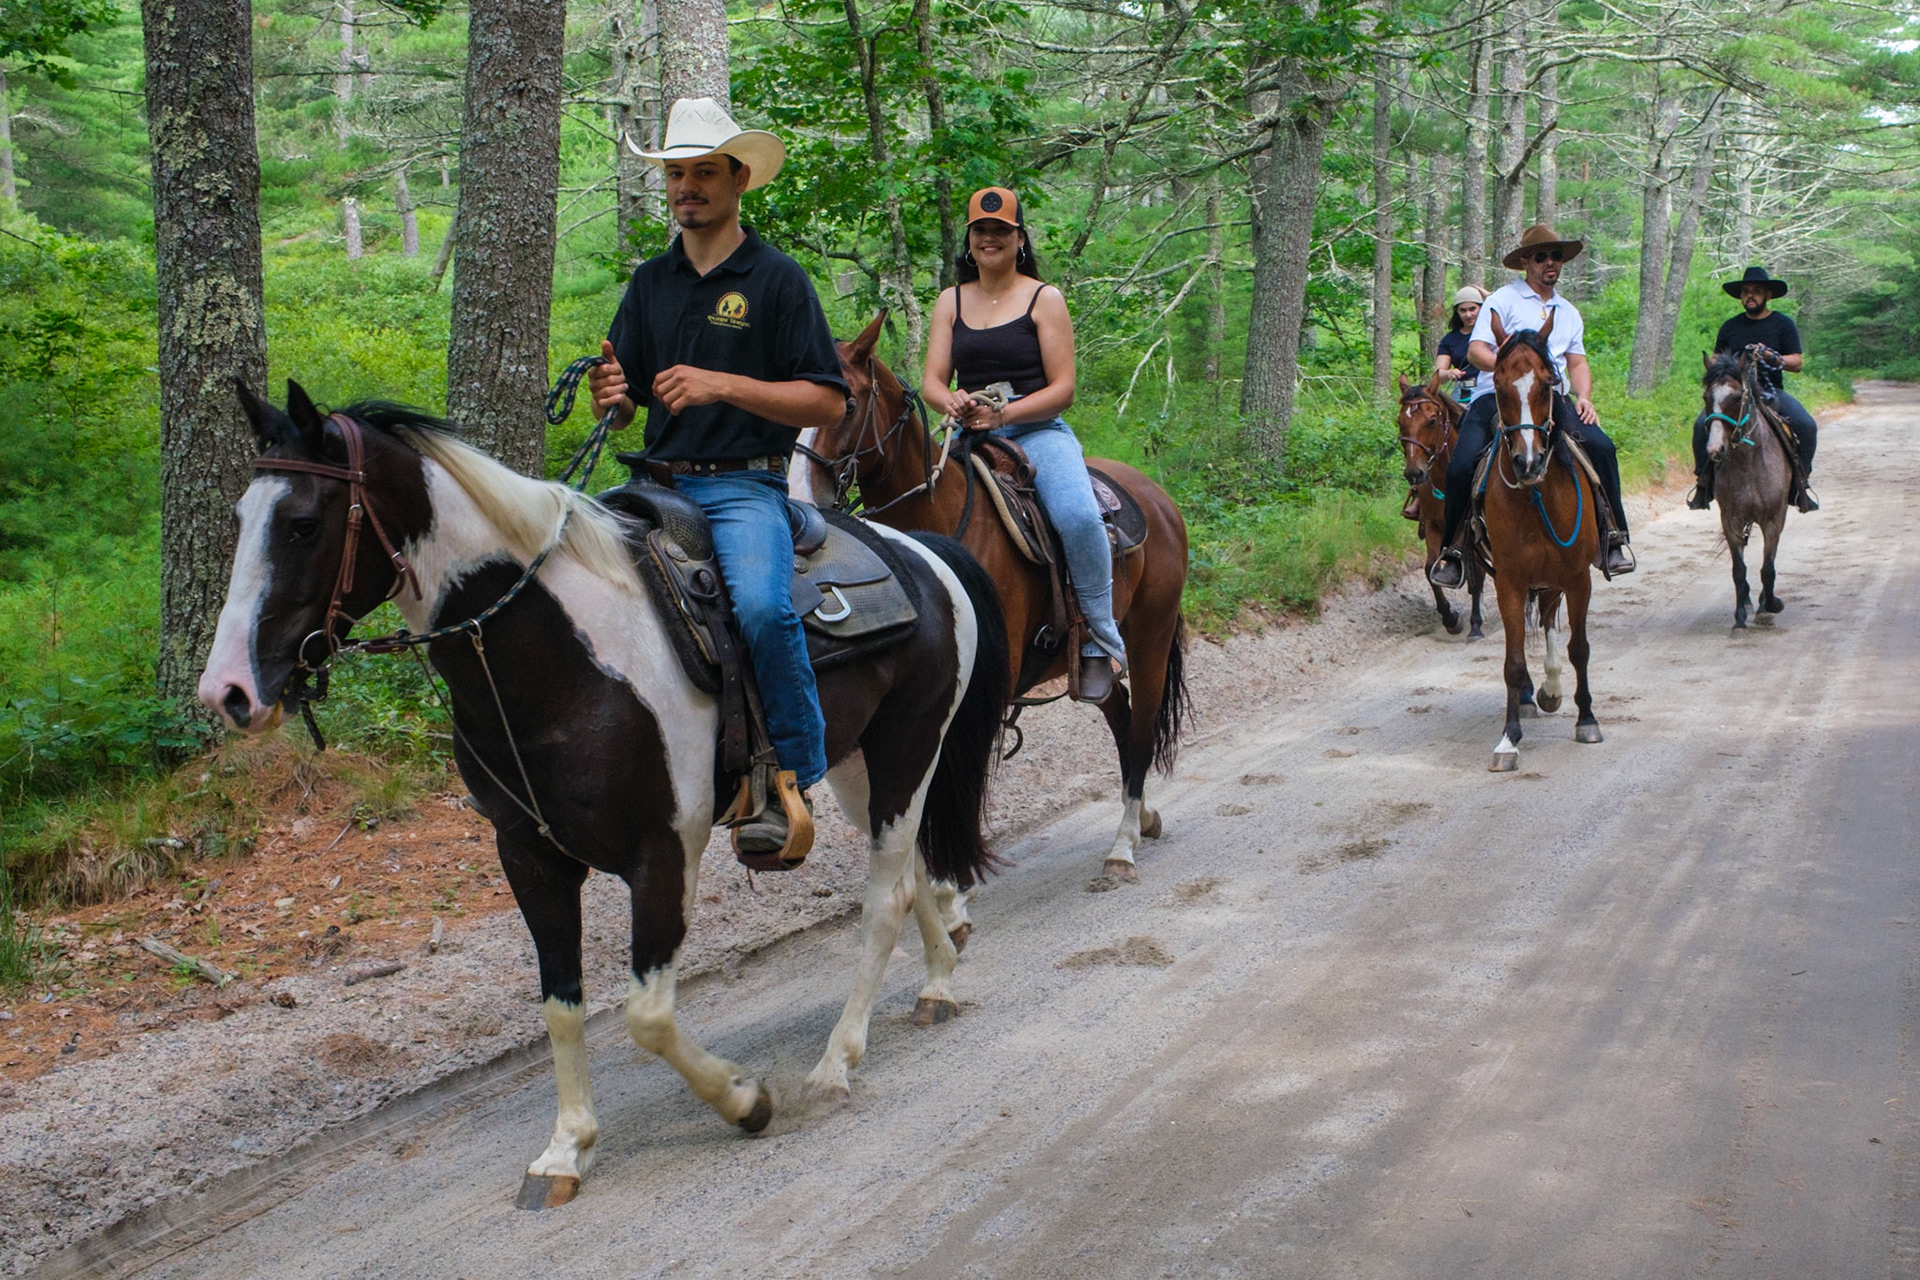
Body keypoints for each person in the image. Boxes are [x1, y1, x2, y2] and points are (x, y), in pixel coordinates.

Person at [588, 97, 850, 853]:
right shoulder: (650, 282)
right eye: (677, 173)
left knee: (764, 612)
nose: (686, 187)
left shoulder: (776, 279)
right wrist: (614, 398)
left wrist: (722, 384)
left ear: (739, 180)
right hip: (651, 483)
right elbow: (629, 402)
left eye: (704, 172)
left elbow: (826, 397)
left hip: (741, 485)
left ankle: (792, 780)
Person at [920, 186, 1125, 704]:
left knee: (1078, 517)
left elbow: (1063, 389)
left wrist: (1005, 413)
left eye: (1001, 231)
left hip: (1036, 433)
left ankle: (1099, 635)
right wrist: (955, 403)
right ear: (969, 240)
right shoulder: (951, 300)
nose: (990, 239)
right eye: (981, 231)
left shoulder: (1043, 297)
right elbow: (932, 382)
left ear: (1019, 238)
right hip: (968, 435)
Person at [1429, 224, 1635, 587]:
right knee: (1461, 465)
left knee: (1602, 448)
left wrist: (1584, 396)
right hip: (1496, 395)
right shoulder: (1502, 301)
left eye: (1556, 256)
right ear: (1526, 262)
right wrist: (1512, 373)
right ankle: (1455, 550)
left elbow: (1578, 362)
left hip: (1550, 397)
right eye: (1541, 257)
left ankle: (1613, 537)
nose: (1550, 263)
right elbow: (1477, 350)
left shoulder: (1567, 311)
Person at [1688, 265, 1819, 513]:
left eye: (1757, 291)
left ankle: (1800, 484)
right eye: (1746, 291)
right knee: (1699, 426)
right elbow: (1717, 358)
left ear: (1767, 295)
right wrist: (1716, 368)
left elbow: (1797, 362)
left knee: (1806, 425)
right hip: (1734, 395)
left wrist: (1773, 357)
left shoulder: (1783, 324)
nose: (1751, 296)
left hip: (1771, 391)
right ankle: (1703, 484)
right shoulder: (1730, 326)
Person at [1434, 285, 1487, 403]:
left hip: (1489, 390)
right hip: (1462, 393)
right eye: (1463, 310)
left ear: (1481, 308)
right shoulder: (1449, 340)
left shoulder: (1491, 333)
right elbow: (1438, 374)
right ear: (1457, 312)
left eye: (1472, 309)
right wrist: (1449, 373)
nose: (1468, 315)